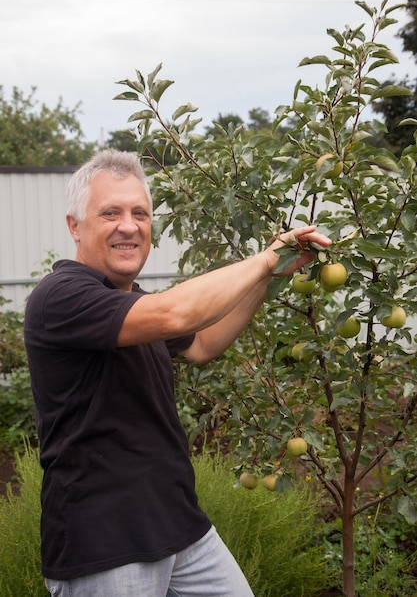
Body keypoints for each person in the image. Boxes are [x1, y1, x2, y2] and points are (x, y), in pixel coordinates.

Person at [24, 149, 331, 597]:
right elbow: (174, 315)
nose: (129, 225)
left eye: (140, 213)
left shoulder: (131, 304)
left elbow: (202, 343)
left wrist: (271, 275)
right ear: (74, 225)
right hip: (105, 542)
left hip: (178, 526)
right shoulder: (61, 296)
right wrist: (265, 258)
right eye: (110, 212)